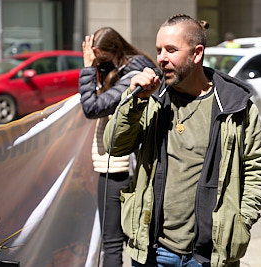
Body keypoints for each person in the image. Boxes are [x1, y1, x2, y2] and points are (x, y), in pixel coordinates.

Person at [103, 14, 261, 267]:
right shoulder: (150, 98)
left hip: (209, 255)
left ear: (197, 53)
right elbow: (114, 146)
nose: (161, 58)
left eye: (171, 50)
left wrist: (241, 220)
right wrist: (134, 102)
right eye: (159, 50)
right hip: (152, 249)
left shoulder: (235, 104)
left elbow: (256, 167)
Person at [78, 27, 155, 267]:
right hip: (119, 167)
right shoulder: (123, 69)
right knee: (131, 241)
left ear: (113, 50)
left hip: (120, 169)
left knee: (116, 244)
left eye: (100, 58)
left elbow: (92, 107)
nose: (99, 64)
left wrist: (89, 69)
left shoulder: (133, 75)